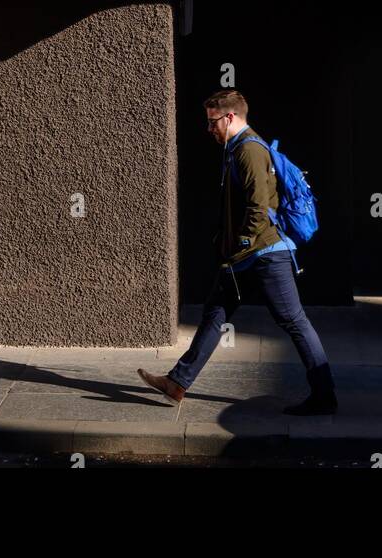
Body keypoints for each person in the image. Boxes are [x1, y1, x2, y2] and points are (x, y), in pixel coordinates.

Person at [138, 89, 337, 415]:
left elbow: (258, 208)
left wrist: (242, 243)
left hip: (265, 254)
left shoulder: (249, 151)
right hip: (245, 258)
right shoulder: (237, 149)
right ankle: (178, 382)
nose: (209, 129)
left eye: (213, 122)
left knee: (294, 321)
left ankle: (325, 394)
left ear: (230, 117)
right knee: (215, 313)